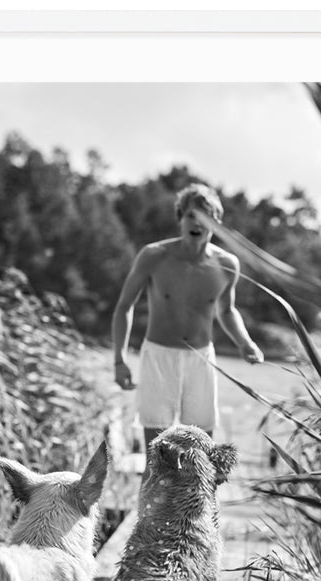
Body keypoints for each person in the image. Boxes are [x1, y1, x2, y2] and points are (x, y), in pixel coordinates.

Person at [112, 183, 264, 456]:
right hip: (158, 357)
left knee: (202, 456)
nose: (196, 223)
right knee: (156, 458)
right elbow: (124, 306)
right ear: (180, 218)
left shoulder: (227, 264)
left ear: (216, 224)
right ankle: (149, 500)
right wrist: (119, 360)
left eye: (205, 217)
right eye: (191, 215)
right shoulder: (154, 256)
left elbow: (227, 310)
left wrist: (245, 342)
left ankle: (199, 500)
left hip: (201, 360)